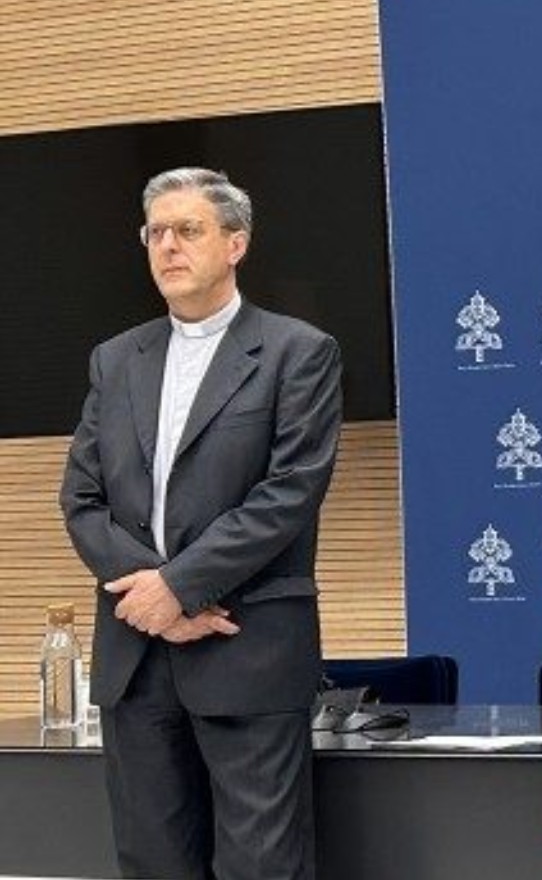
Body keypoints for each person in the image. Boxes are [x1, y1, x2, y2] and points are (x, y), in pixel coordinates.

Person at [61, 167, 343, 879]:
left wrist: (179, 587)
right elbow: (82, 499)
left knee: (262, 866)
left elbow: (289, 492)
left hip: (246, 646)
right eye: (156, 232)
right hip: (136, 655)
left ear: (236, 243)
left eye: (188, 230)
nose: (169, 246)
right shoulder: (115, 359)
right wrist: (153, 601)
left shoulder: (297, 352)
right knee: (152, 863)